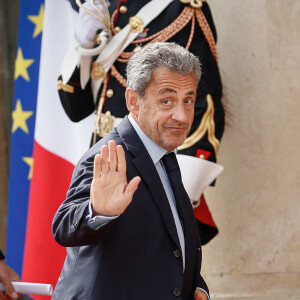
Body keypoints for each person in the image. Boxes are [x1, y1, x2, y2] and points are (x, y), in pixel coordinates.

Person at [58, 0, 225, 245]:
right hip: (104, 160)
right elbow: (75, 108)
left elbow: (201, 102)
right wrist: (83, 45)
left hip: (154, 167)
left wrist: (182, 190)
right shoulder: (105, 10)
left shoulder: (177, 9)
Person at [52, 42, 210, 299]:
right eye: (167, 100)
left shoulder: (163, 153)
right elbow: (63, 226)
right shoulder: (109, 155)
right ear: (134, 101)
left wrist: (196, 287)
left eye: (188, 100)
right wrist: (98, 211)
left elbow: (173, 248)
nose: (182, 115)